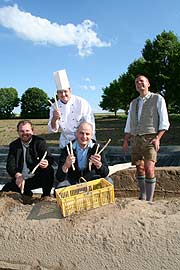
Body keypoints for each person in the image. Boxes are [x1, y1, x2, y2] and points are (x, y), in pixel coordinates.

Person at [123, 75, 170, 202]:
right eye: (137, 82)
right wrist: (126, 140)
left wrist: (158, 138)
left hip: (150, 139)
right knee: (139, 168)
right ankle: (142, 196)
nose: (139, 83)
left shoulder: (157, 99)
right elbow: (129, 123)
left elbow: (164, 121)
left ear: (148, 83)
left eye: (142, 81)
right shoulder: (133, 103)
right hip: (136, 140)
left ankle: (149, 199)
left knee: (149, 168)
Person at [1, 120, 54, 201]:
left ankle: (45, 196)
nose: (24, 133)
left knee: (48, 170)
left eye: (27, 130)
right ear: (18, 132)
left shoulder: (40, 142)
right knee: (4, 191)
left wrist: (46, 162)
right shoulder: (14, 145)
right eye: (21, 131)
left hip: (36, 177)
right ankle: (27, 194)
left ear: (32, 131)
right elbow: (10, 166)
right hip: (21, 179)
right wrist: (17, 175)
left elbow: (49, 158)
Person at [48, 69, 95, 149]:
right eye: (60, 92)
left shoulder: (81, 102)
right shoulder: (54, 106)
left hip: (83, 141)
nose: (63, 94)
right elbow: (53, 129)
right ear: (57, 93)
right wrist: (54, 118)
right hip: (66, 143)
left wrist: (90, 143)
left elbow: (90, 125)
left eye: (65, 91)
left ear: (70, 91)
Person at [55, 122, 110, 189]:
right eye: (81, 133)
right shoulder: (67, 149)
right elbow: (59, 177)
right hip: (73, 182)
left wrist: (99, 165)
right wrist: (66, 166)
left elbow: (105, 173)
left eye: (87, 134)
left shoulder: (97, 148)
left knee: (108, 182)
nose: (84, 137)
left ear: (91, 135)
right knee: (60, 187)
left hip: (91, 181)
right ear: (76, 134)